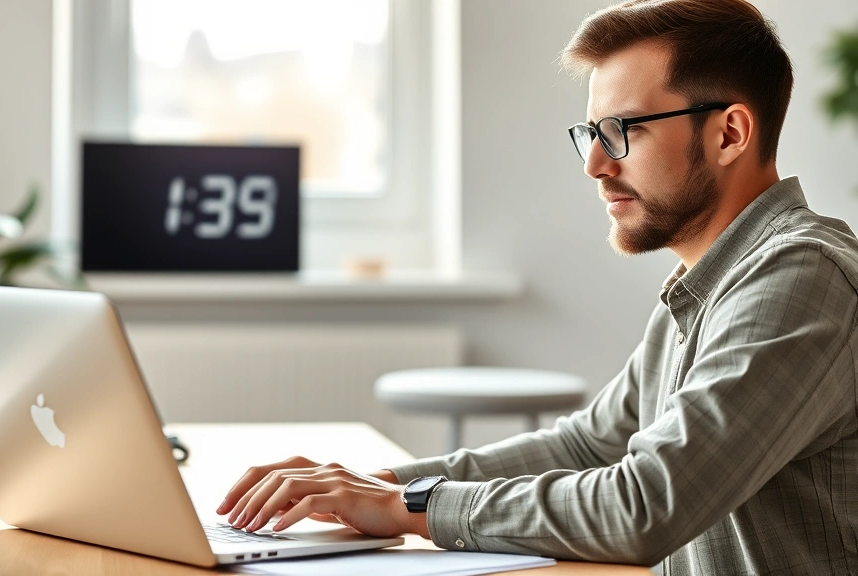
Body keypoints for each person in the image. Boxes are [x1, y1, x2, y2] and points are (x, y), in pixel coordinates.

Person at [217, 1, 858, 573]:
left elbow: (646, 504)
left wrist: (410, 507)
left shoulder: (800, 277)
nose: (595, 165)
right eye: (591, 132)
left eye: (623, 132)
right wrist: (375, 484)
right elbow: (587, 445)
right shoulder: (703, 284)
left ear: (729, 134)